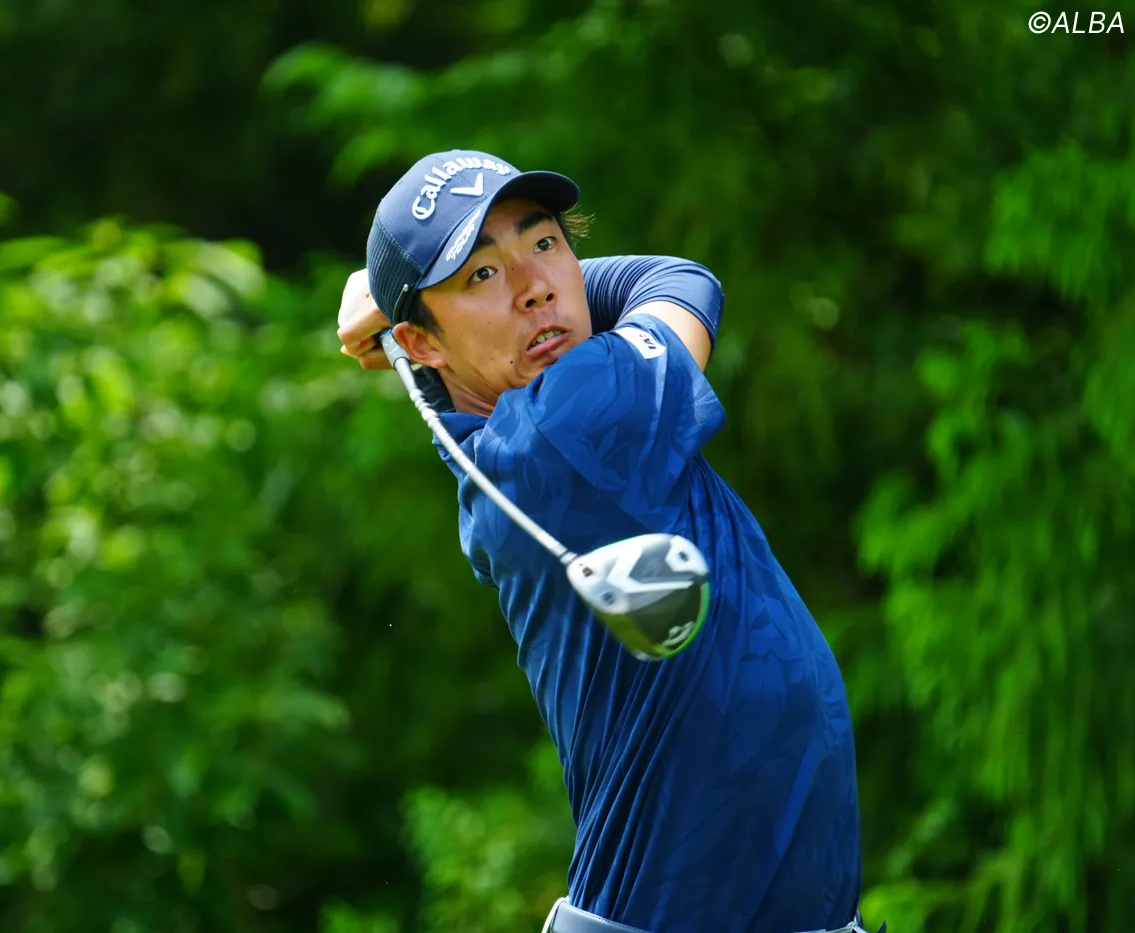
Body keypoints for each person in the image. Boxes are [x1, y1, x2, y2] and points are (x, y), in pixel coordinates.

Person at [335, 149, 879, 933]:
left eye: (545, 242)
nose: (536, 286)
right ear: (422, 344)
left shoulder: (499, 435)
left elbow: (478, 362)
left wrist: (422, 310)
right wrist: (401, 310)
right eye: (482, 273)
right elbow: (681, 281)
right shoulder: (567, 434)